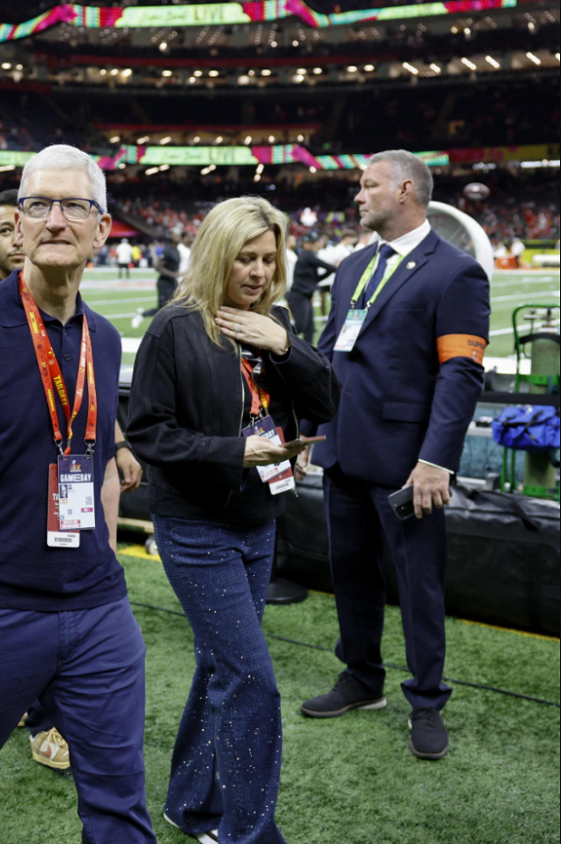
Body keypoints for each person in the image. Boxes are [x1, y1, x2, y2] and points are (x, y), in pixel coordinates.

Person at [0, 144, 156, 843]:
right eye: (37, 204)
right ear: (17, 224)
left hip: (98, 611)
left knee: (120, 805)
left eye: (74, 205)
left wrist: (108, 566)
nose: (54, 220)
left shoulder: (102, 337)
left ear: (102, 229)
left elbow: (96, 460)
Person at [127, 196, 339, 844]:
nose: (257, 270)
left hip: (258, 520)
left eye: (268, 259)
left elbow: (327, 398)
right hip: (197, 528)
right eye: (245, 257)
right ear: (218, 252)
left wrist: (285, 344)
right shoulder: (175, 328)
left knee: (221, 668)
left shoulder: (270, 324)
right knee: (251, 681)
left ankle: (189, 805)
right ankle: (251, 834)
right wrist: (235, 452)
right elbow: (147, 433)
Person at [298, 150, 490, 760]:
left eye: (368, 185)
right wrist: (308, 428)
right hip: (344, 449)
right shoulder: (354, 267)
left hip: (409, 465)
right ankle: (361, 678)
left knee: (418, 584)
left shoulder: (455, 272)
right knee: (350, 575)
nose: (357, 195)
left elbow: (461, 374)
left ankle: (427, 700)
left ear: (405, 189)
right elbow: (330, 356)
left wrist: (437, 460)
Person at [287, 231, 337, 344]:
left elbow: (315, 278)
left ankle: (308, 354)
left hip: (304, 296)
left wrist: (332, 270)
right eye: (311, 243)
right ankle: (280, 341)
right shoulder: (307, 255)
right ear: (305, 244)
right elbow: (323, 265)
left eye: (315, 243)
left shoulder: (307, 256)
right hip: (298, 296)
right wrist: (337, 268)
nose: (314, 245)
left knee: (309, 329)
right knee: (301, 326)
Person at [131, 234, 181, 327]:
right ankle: (143, 315)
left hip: (173, 282)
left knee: (176, 306)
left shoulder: (176, 250)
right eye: (176, 235)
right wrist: (173, 274)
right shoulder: (167, 250)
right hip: (165, 283)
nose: (179, 237)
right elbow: (158, 266)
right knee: (163, 308)